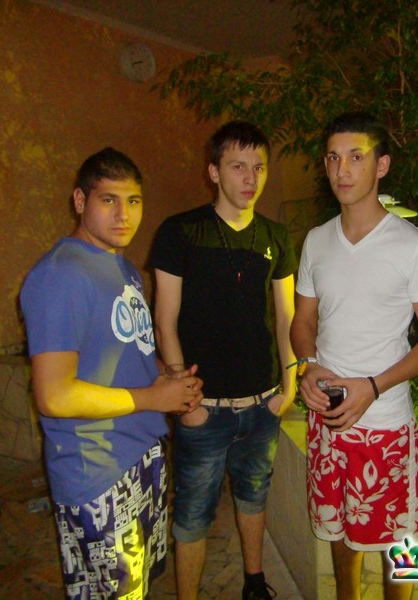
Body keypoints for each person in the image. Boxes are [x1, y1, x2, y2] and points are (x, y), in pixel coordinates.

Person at [20, 147, 204, 599]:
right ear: (80, 201)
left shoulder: (121, 267)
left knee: (136, 587)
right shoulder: (61, 275)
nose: (124, 214)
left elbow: (127, 355)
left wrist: (168, 381)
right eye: (109, 200)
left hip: (140, 452)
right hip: (97, 471)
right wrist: (153, 398)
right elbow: (54, 395)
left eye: (133, 201)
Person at [291, 112, 418, 600]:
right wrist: (307, 365)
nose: (342, 170)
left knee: (400, 544)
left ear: (381, 165)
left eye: (356, 157)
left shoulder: (414, 247)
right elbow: (303, 321)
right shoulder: (316, 241)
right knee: (340, 535)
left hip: (385, 423)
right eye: (333, 158)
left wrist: (374, 386)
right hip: (329, 420)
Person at [149, 121, 298, 600]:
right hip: (204, 408)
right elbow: (165, 320)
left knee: (254, 497)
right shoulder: (181, 232)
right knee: (193, 514)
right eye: (237, 166)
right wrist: (185, 399)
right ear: (214, 172)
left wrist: (289, 387)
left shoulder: (276, 235)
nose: (250, 178)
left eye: (258, 167)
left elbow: (286, 317)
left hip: (262, 404)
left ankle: (254, 583)